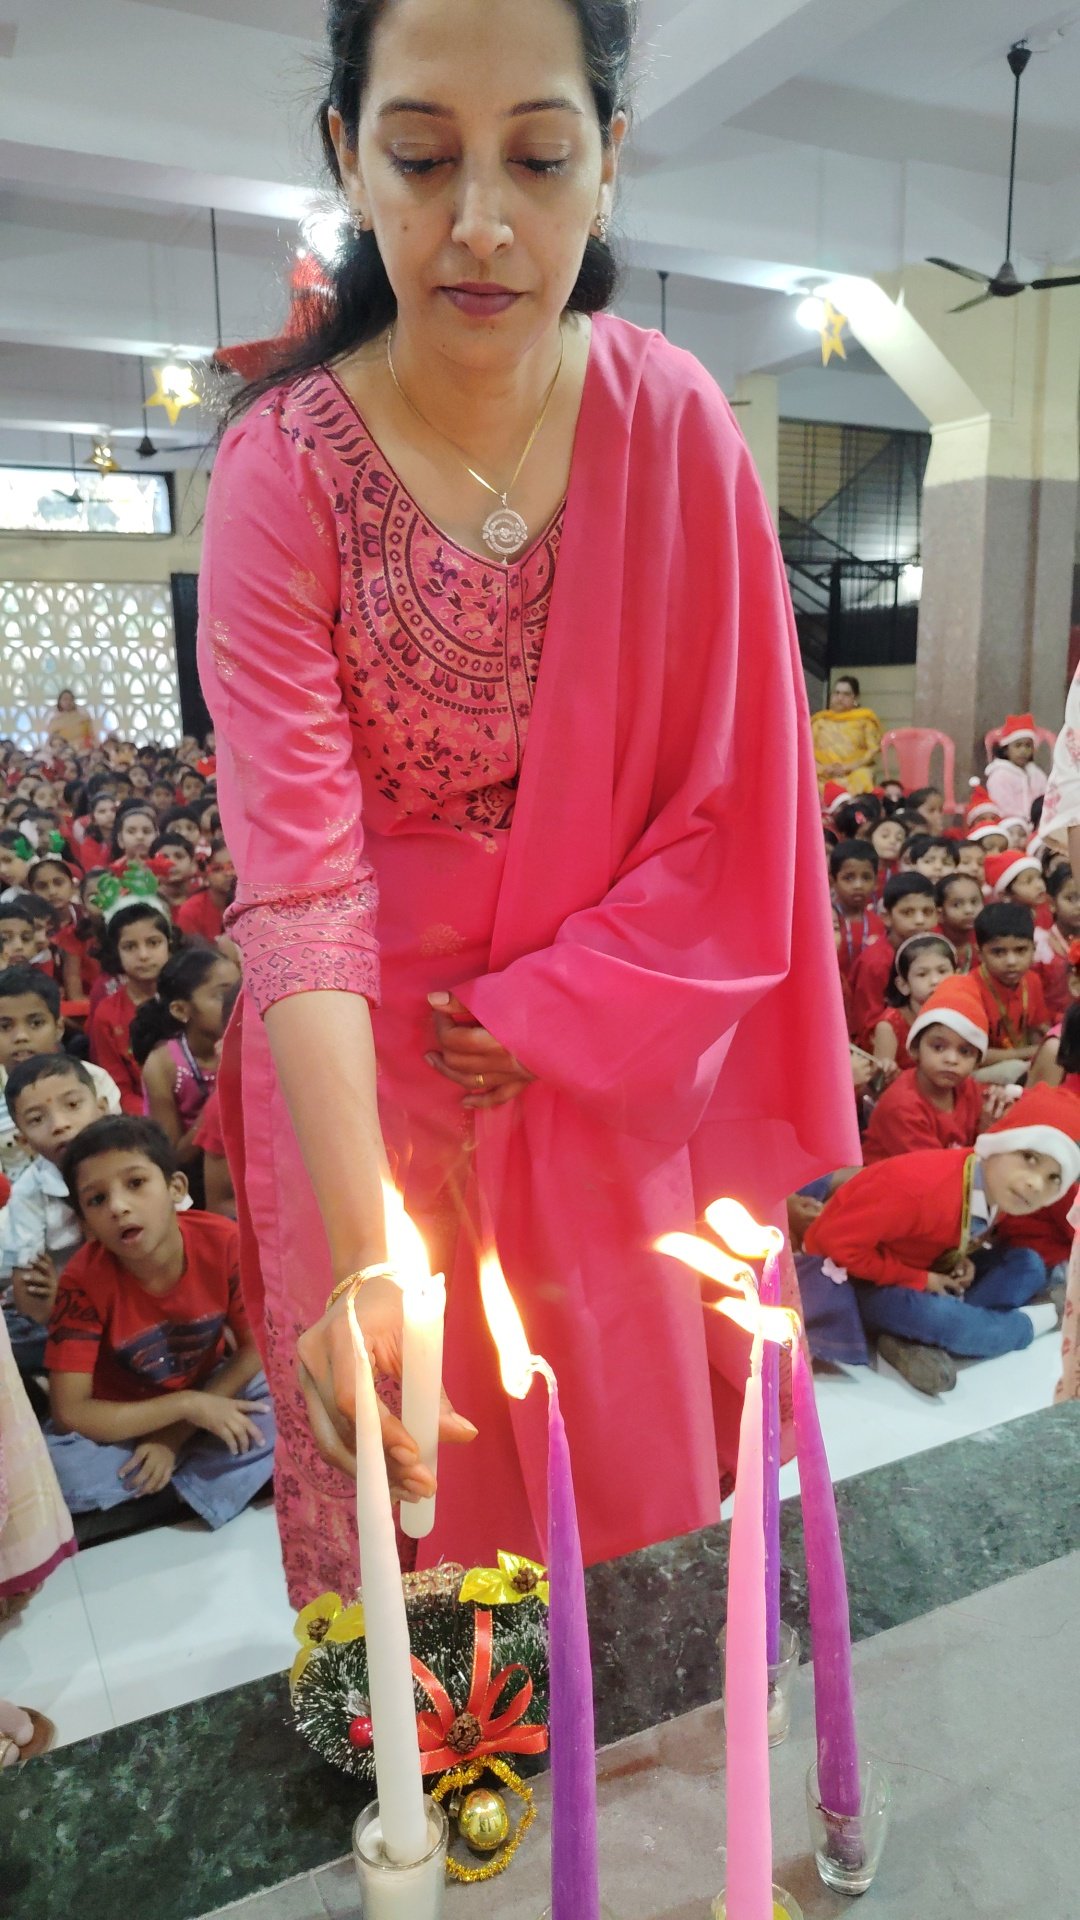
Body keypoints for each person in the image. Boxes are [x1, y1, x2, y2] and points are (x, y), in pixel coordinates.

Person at [196, 0, 856, 1602]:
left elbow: (741, 809)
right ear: (349, 157)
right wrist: (365, 1255)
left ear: (610, 162)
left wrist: (561, 1009)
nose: (481, 224)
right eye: (423, 159)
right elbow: (298, 884)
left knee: (618, 1529)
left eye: (541, 160)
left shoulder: (676, 426)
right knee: (413, 1562)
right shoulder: (285, 470)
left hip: (600, 1076)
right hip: (367, 1093)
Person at [45, 1116, 275, 1527]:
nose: (118, 1207)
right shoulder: (81, 1282)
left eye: (135, 1183)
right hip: (122, 1422)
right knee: (57, 1471)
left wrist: (175, 1434)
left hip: (207, 1393)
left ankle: (159, 1486)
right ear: (85, 1224)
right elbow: (71, 1411)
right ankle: (198, 1484)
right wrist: (186, 1407)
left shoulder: (225, 1242)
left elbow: (254, 1349)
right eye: (97, 1200)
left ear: (176, 1188)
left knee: (286, 1400)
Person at [803, 1083, 1080, 1393]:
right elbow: (828, 1242)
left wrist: (962, 1258)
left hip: (928, 1263)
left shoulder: (1000, 1186)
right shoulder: (919, 1189)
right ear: (1001, 1144)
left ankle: (915, 1339)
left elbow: (952, 1231)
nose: (1036, 1184)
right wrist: (920, 1279)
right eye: (1029, 1157)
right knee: (942, 1318)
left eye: (1054, 1178)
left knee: (1027, 1264)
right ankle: (1020, 1326)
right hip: (859, 1281)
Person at [0, 1056, 111, 1369]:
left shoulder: (136, 1158)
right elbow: (31, 1300)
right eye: (37, 1119)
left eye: (73, 1105)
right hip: (61, 1309)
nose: (60, 1124)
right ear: (24, 1141)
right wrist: (61, 1305)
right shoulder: (29, 1194)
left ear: (102, 1108)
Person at [861, 974, 995, 1161]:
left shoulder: (967, 1088)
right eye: (938, 1047)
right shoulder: (902, 1106)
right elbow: (935, 1171)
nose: (951, 1059)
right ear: (915, 1049)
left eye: (965, 1051)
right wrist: (987, 1135)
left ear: (977, 1061)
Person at [131, 945, 239, 1164]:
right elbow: (173, 1156)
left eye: (239, 992)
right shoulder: (163, 1065)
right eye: (223, 995)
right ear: (181, 1010)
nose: (236, 1003)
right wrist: (223, 1088)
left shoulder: (253, 1044)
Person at [87, 884, 175, 1114]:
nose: (143, 955)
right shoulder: (107, 1014)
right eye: (130, 947)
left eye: (153, 943)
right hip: (143, 1119)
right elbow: (118, 1090)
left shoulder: (190, 997)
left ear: (170, 944)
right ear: (115, 952)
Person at [848, 871, 939, 1042]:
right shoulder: (875, 963)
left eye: (927, 912)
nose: (920, 920)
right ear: (886, 917)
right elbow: (868, 1029)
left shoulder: (937, 951)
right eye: (907, 912)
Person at [973, 902, 1049, 1074]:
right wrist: (1028, 1053)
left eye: (1021, 950)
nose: (1011, 962)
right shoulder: (970, 988)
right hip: (980, 1073)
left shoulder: (1032, 980)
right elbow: (974, 1055)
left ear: (1034, 949)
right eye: (998, 952)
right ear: (980, 953)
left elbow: (1038, 1029)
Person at [871, 933, 955, 1071]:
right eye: (922, 974)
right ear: (903, 985)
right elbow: (879, 1080)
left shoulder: (962, 1014)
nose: (935, 981)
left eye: (942, 971)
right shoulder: (889, 1025)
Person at [810, 674, 882, 795]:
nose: (840, 698)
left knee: (863, 776)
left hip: (853, 772)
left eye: (846, 694)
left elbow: (873, 751)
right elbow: (806, 750)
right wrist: (823, 769)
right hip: (822, 773)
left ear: (855, 698)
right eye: (836, 693)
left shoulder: (865, 720)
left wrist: (847, 767)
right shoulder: (819, 721)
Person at [829, 840, 882, 980]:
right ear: (833, 881)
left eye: (866, 878)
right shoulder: (826, 923)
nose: (858, 885)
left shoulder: (879, 924)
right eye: (848, 878)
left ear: (876, 882)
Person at [985, 713, 1048, 825]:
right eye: (1018, 746)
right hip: (1010, 824)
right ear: (1006, 749)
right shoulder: (1000, 776)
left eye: (1028, 746)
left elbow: (1046, 800)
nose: (1023, 751)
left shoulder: (1038, 775)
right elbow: (1003, 808)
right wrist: (1023, 821)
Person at [174, 840, 236, 944]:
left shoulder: (254, 902)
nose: (228, 873)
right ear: (204, 874)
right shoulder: (191, 911)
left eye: (233, 866)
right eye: (217, 869)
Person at [936, 870, 983, 973]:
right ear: (939, 914)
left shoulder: (985, 938)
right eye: (957, 904)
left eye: (974, 902)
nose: (969, 910)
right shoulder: (931, 943)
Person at [43, 690, 95, 755]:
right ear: (59, 702)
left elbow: (91, 736)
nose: (68, 702)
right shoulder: (55, 721)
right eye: (65, 699)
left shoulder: (83, 718)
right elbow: (51, 740)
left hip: (83, 751)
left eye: (70, 699)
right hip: (62, 752)